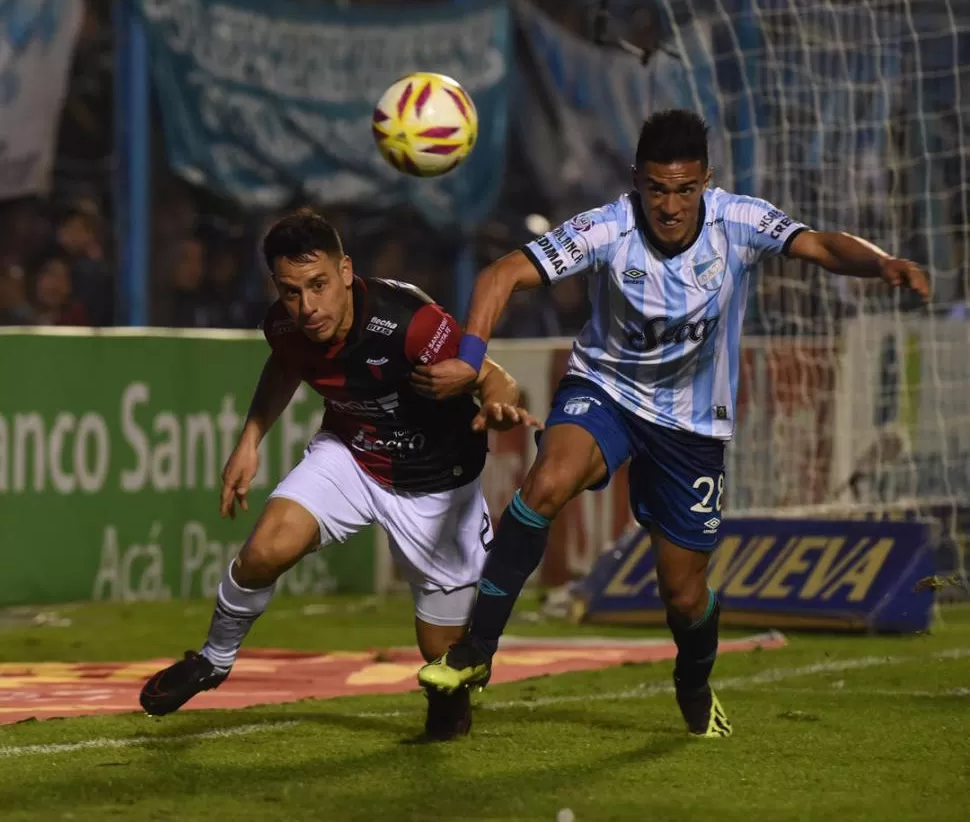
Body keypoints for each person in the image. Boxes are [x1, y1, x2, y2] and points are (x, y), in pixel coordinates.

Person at [414, 109, 930, 738]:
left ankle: (694, 680)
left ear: (705, 183)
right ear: (637, 182)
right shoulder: (607, 228)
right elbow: (502, 275)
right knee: (545, 483)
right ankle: (477, 651)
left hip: (691, 428)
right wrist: (470, 361)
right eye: (657, 189)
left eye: (685, 191)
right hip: (606, 390)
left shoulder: (738, 221)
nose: (670, 206)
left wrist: (882, 263)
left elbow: (820, 245)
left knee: (683, 594)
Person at [140, 209, 538, 742]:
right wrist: (249, 440)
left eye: (318, 285)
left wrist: (495, 404)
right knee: (263, 551)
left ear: (346, 271)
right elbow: (284, 365)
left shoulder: (410, 321)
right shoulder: (284, 326)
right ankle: (213, 660)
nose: (307, 307)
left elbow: (497, 379)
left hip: (438, 487)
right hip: (350, 456)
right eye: (290, 291)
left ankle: (449, 702)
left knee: (442, 656)